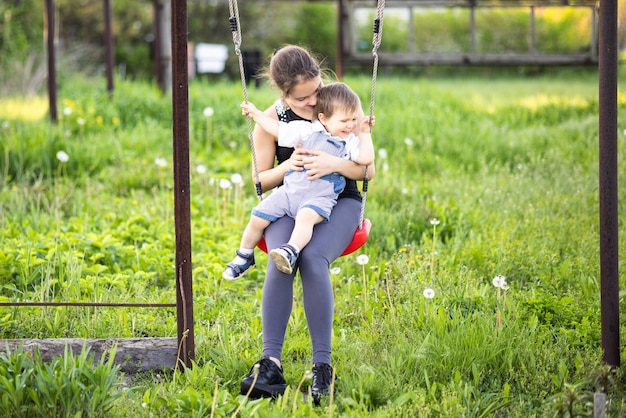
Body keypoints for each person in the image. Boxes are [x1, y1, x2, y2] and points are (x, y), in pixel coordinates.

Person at [236, 45, 376, 404]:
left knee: (312, 258)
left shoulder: (338, 103)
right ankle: (270, 364)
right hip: (291, 199)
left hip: (338, 201)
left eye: (316, 90)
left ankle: (322, 367)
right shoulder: (271, 123)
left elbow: (367, 170)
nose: (314, 102)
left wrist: (333, 164)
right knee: (282, 259)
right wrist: (288, 166)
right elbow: (259, 182)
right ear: (284, 95)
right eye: (303, 98)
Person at [222, 82, 374, 280]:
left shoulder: (350, 143)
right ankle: (244, 255)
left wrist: (364, 134)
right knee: (257, 216)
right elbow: (277, 130)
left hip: (319, 197)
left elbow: (365, 161)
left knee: (305, 218)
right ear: (323, 118)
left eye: (354, 120)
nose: (351, 125)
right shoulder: (307, 130)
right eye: (344, 120)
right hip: (289, 192)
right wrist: (255, 114)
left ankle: (291, 250)